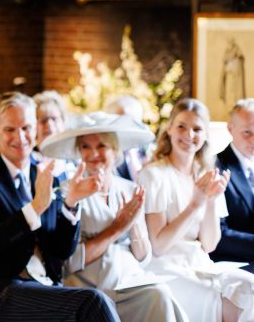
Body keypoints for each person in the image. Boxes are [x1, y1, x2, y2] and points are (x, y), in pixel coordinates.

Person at [0, 92, 119, 322]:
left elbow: (61, 250)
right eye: (9, 129)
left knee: (96, 303)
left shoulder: (43, 174)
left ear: (35, 130)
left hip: (46, 284)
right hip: (1, 291)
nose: (20, 137)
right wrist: (34, 209)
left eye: (26, 128)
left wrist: (71, 203)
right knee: (93, 301)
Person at [40, 112, 186, 321]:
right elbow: (67, 262)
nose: (93, 154)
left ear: (115, 149)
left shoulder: (130, 189)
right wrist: (117, 228)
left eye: (101, 146)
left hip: (130, 280)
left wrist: (133, 223)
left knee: (161, 294)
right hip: (90, 285)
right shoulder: (67, 192)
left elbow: (143, 257)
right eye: (86, 147)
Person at [138, 98, 254, 321]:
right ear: (170, 128)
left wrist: (211, 200)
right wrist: (195, 204)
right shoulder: (154, 175)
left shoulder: (207, 172)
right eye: (182, 126)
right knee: (230, 306)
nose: (189, 135)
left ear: (205, 134)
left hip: (200, 263)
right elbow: (159, 245)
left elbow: (209, 244)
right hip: (166, 267)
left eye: (197, 129)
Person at [212, 98, 254, 296]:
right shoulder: (216, 168)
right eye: (247, 132)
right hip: (239, 260)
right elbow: (218, 235)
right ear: (231, 128)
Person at [105, 94, 148, 181]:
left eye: (134, 123)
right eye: (122, 123)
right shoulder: (103, 153)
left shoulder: (149, 151)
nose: (129, 129)